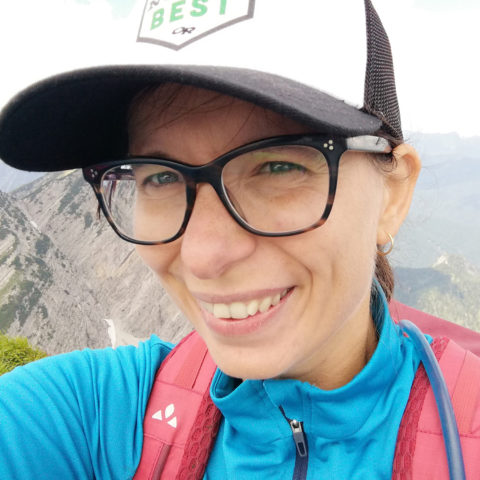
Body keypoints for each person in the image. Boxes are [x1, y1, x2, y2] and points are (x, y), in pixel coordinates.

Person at [0, 1, 479, 479]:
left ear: (392, 194)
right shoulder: (92, 417)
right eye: (160, 176)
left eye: (278, 166)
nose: (204, 256)